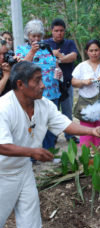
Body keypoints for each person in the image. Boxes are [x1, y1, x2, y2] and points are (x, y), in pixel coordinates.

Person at [0, 61, 100, 228]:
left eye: (42, 79)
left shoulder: (44, 105)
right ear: (20, 85)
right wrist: (32, 152)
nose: (43, 85)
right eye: (37, 81)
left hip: (23, 167)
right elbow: (2, 146)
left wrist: (91, 130)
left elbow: (65, 125)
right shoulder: (4, 108)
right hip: (3, 171)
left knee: (30, 203)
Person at [16, 19, 60, 150]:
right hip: (32, 94)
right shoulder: (22, 49)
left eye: (38, 36)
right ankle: (31, 154)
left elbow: (54, 65)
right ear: (28, 36)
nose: (36, 38)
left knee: (50, 123)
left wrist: (58, 70)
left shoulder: (48, 49)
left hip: (52, 92)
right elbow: (20, 68)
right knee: (31, 124)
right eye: (33, 36)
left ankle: (49, 151)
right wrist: (32, 52)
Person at [71, 39, 100, 147]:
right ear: (87, 52)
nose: (94, 53)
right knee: (86, 136)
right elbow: (73, 82)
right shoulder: (81, 66)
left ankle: (98, 160)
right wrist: (83, 82)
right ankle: (86, 159)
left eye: (96, 50)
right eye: (91, 50)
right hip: (87, 108)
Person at [45, 18, 79, 144]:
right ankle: (52, 138)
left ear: (64, 31)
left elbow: (73, 57)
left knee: (67, 112)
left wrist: (57, 56)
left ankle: (70, 136)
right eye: (56, 30)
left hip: (66, 84)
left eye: (61, 30)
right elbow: (40, 57)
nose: (59, 33)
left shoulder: (69, 43)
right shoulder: (45, 43)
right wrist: (62, 57)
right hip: (50, 85)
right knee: (51, 113)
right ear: (52, 31)